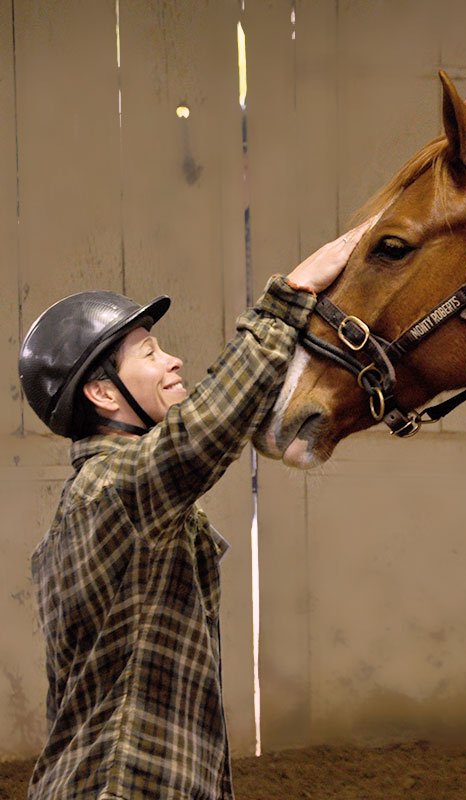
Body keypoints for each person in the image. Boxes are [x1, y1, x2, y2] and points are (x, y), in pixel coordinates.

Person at [18, 222, 369, 800]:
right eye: (151, 352)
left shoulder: (101, 501)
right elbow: (202, 430)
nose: (174, 360)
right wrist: (291, 296)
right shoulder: (111, 491)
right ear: (103, 394)